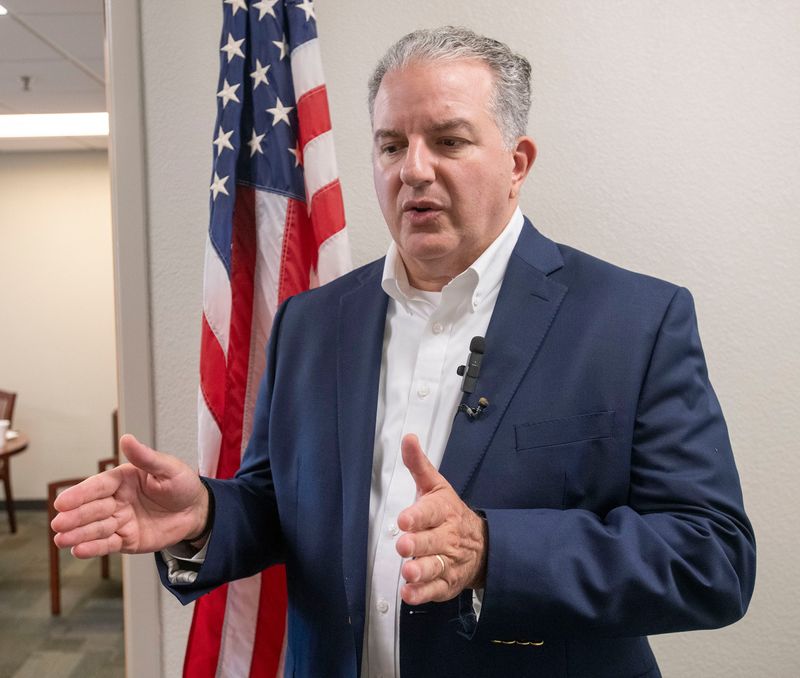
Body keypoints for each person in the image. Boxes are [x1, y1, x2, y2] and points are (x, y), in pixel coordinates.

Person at [51, 27, 755, 678]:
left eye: (448, 141)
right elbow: (280, 503)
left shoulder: (635, 321)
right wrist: (205, 515)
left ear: (516, 164)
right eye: (391, 146)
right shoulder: (311, 323)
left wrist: (492, 552)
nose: (413, 169)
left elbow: (713, 557)